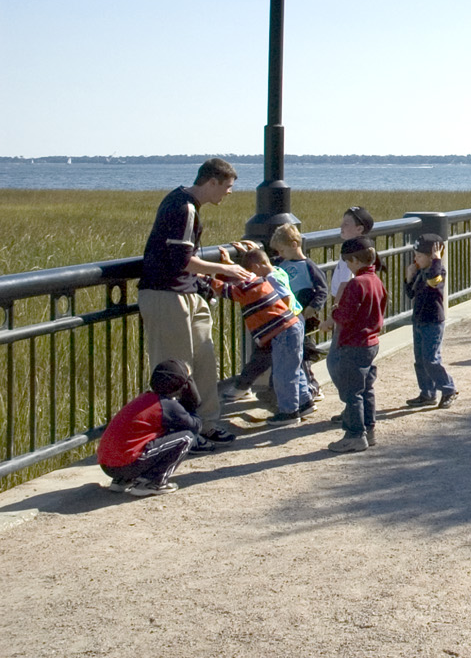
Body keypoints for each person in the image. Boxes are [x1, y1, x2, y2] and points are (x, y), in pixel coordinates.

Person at [135, 157, 250, 445]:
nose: (229, 192)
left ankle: (205, 425)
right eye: (227, 186)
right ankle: (179, 434)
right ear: (212, 182)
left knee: (204, 363)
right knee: (176, 369)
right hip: (167, 295)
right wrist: (225, 269)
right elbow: (181, 260)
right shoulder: (182, 207)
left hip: (188, 293)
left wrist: (205, 282)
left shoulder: (189, 206)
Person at [220, 223, 326, 406]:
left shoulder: (306, 266)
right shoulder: (279, 265)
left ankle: (303, 395)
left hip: (290, 320)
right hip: (287, 320)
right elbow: (264, 266)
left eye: (281, 250)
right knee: (291, 360)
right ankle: (299, 396)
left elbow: (322, 290)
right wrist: (251, 253)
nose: (279, 255)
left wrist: (312, 308)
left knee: (295, 359)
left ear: (294, 245)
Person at [211, 241, 312, 423]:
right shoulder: (263, 279)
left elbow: (225, 289)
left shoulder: (251, 288)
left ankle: (289, 412)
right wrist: (228, 265)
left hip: (283, 331)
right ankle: (305, 402)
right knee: (293, 368)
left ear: (255, 268)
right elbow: (244, 276)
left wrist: (204, 277)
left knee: (282, 373)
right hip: (293, 325)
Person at [97, 360, 204, 496]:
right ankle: (151, 482)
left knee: (154, 434)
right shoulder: (168, 406)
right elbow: (196, 426)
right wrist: (192, 399)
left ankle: (122, 481)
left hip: (107, 465)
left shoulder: (145, 399)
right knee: (186, 437)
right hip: (127, 465)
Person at [328, 236, 386, 453]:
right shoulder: (377, 281)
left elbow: (344, 316)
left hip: (353, 343)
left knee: (352, 392)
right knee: (366, 388)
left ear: (354, 261)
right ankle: (369, 430)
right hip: (371, 341)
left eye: (347, 262)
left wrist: (334, 309)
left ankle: (354, 435)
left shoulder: (355, 284)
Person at [404, 233, 457, 407]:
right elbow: (411, 294)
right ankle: (427, 392)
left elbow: (434, 282)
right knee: (420, 360)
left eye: (419, 256)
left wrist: (436, 260)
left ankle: (448, 388)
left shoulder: (438, 271)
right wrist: (408, 278)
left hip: (433, 322)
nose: (416, 259)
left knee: (431, 359)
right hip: (418, 320)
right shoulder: (420, 272)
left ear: (431, 256)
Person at [327, 205, 375, 303]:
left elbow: (344, 284)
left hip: (345, 302)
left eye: (346, 224)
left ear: (359, 229)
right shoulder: (361, 250)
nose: (341, 226)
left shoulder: (351, 253)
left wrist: (335, 310)